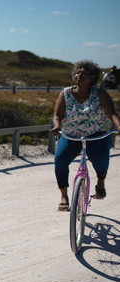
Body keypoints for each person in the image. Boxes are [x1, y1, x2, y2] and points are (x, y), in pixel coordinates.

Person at [50, 60, 120, 211]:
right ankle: (64, 195)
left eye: (84, 73)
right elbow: (57, 115)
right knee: (60, 160)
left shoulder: (100, 94)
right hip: (71, 135)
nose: (79, 75)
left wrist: (119, 126)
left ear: (92, 77)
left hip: (96, 135)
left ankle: (100, 181)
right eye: (77, 72)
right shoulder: (66, 93)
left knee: (101, 158)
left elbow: (111, 114)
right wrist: (56, 125)